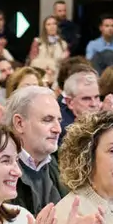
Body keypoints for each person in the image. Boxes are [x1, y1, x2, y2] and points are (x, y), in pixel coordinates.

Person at [7, 86, 69, 214]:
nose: (58, 129)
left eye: (59, 120)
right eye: (47, 120)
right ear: (19, 123)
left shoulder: (60, 164)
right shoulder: (0, 170)